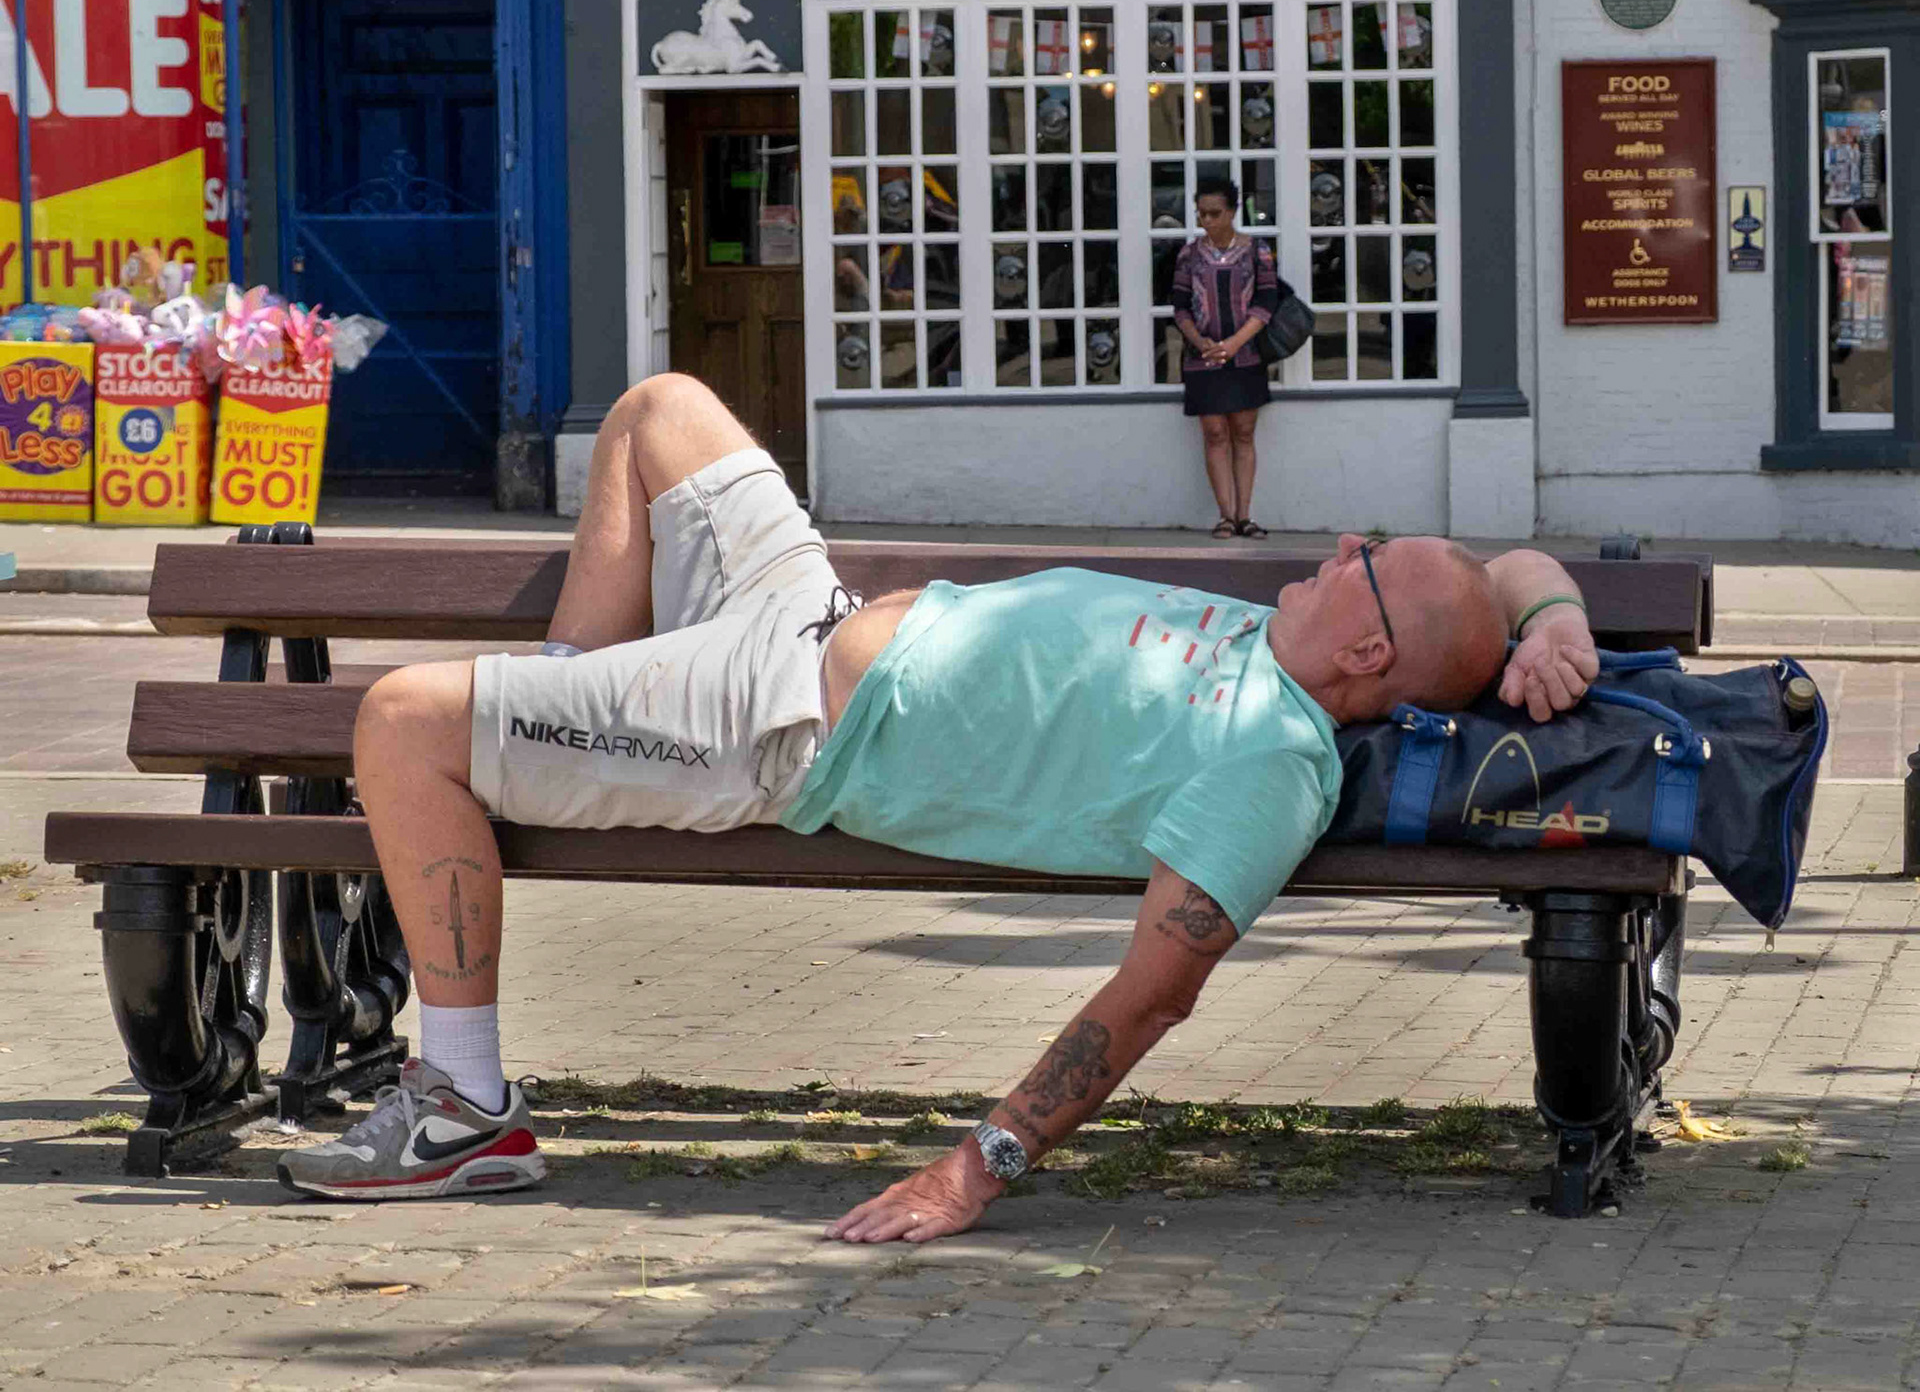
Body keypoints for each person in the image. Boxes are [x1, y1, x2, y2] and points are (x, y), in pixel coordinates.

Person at [278, 374, 1603, 1239]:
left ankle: (462, 1103)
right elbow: (1501, 574)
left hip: (779, 721)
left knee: (400, 723)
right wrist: (1549, 612)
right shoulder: (1290, 637)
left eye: (1367, 565)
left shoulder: (1271, 762)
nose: (1342, 548)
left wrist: (980, 1165)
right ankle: (566, 714)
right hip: (812, 616)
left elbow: (1153, 992)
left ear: (1369, 657)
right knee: (659, 408)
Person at [1170, 181, 1279, 539]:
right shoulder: (1188, 255)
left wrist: (1233, 344)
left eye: (1214, 213)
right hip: (1202, 357)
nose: (1206, 220)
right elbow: (1181, 307)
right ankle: (1225, 516)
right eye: (1201, 213)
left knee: (1244, 433)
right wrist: (1200, 341)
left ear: (1232, 212)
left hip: (1245, 355)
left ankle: (1246, 516)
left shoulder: (1257, 251)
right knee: (1214, 433)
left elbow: (1266, 305)